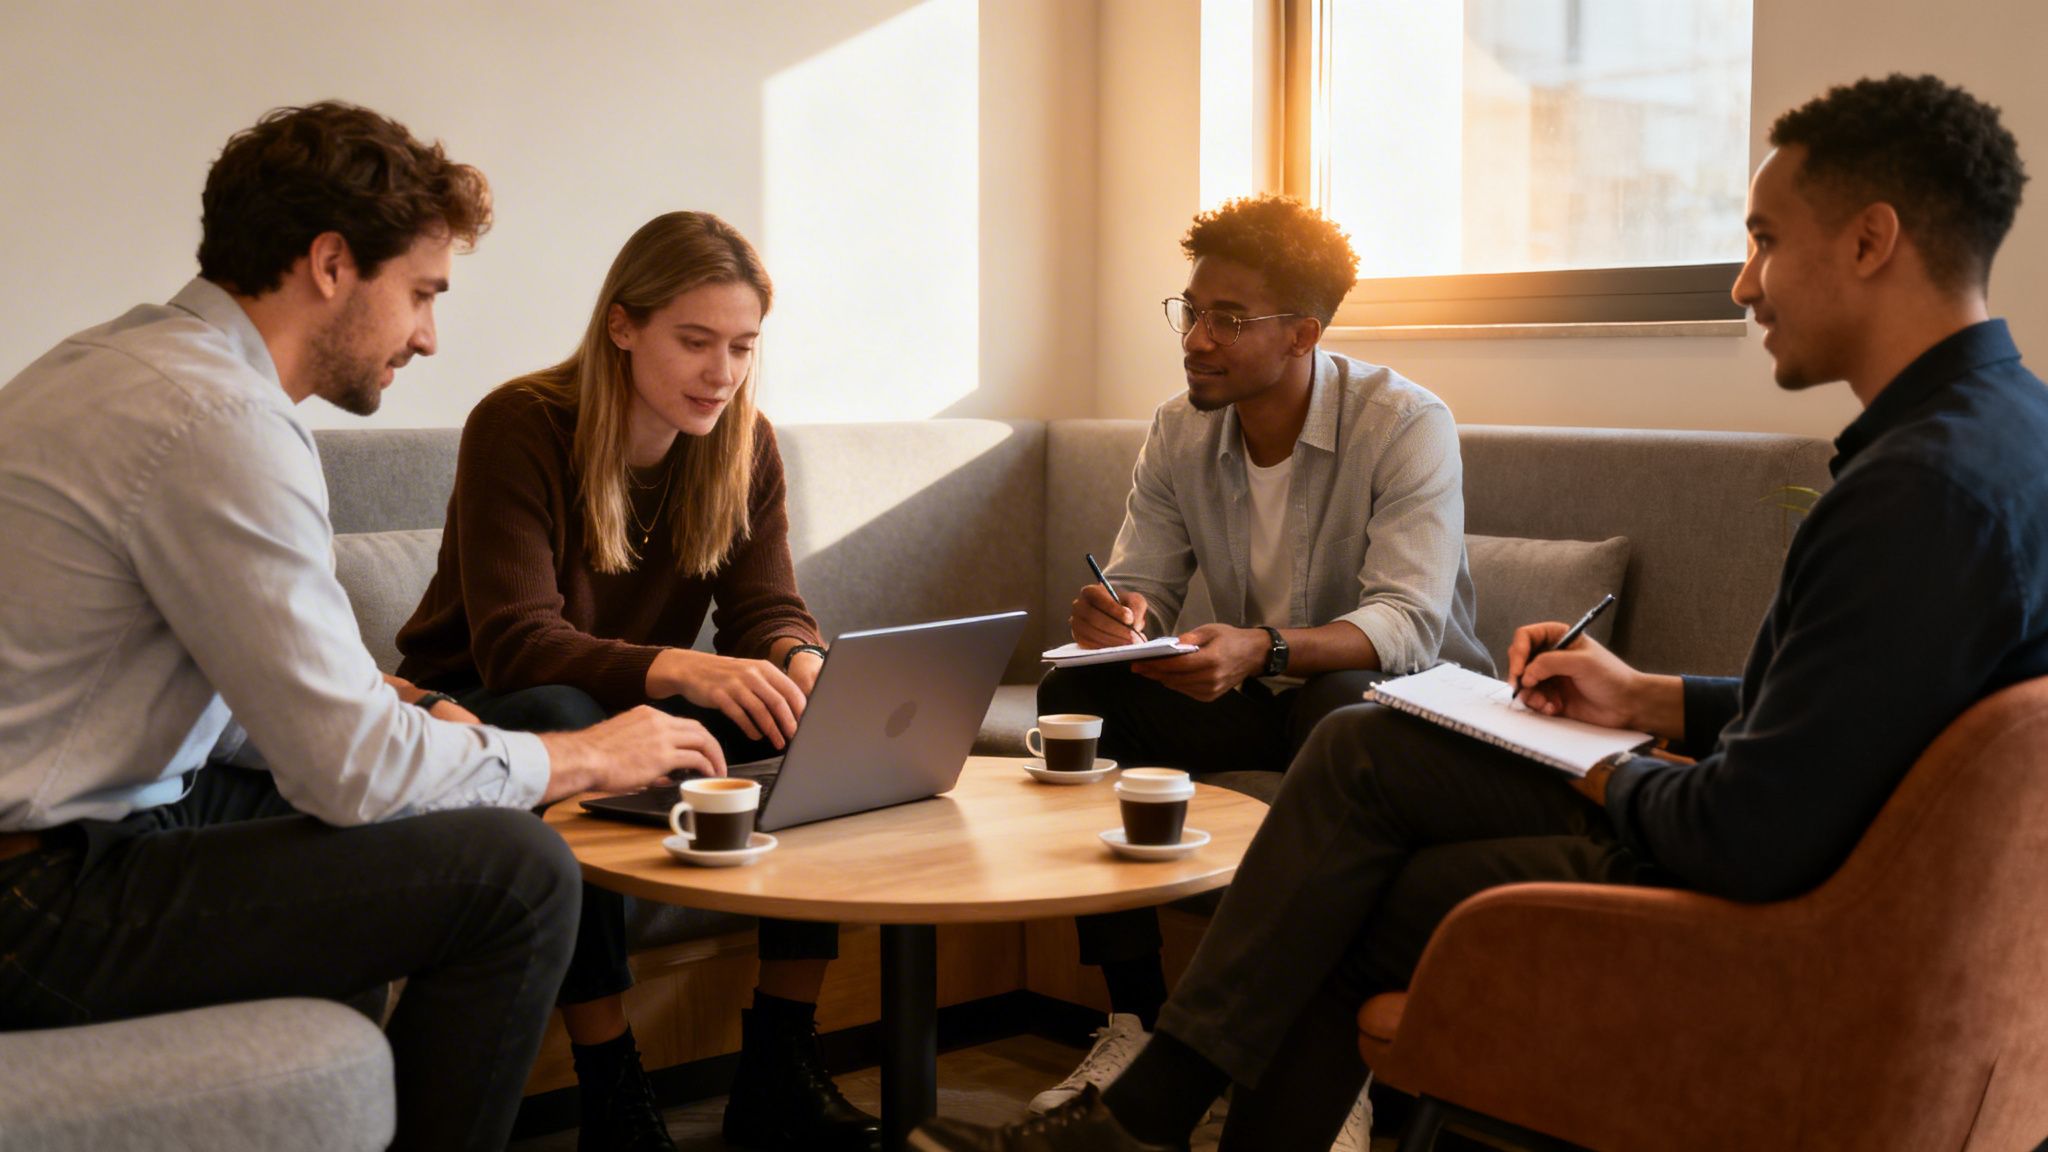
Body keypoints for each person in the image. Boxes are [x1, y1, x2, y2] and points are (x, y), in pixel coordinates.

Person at [914, 73, 2047, 1152]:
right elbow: (1849, 713)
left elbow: (1748, 828)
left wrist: (1602, 767)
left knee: (1351, 858)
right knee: (1358, 753)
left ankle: (1146, 1113)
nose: (1742, 283)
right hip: (1797, 842)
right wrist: (1642, 695)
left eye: (1760, 239)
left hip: (1759, 896)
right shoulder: (2000, 437)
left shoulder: (1913, 491)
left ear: (1868, 240)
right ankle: (1149, 1109)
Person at [0, 103, 720, 1152]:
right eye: (422, 293)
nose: (430, 335)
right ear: (331, 264)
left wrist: (438, 723)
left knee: (409, 829)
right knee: (517, 876)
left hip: (92, 823)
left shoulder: (114, 364)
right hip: (33, 894)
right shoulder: (221, 424)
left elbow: (264, 714)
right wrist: (574, 756)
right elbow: (348, 769)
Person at [395, 210, 879, 1152]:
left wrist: (803, 665)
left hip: (633, 704)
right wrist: (681, 667)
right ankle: (611, 1089)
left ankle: (781, 1057)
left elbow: (766, 612)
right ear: (623, 325)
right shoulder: (521, 424)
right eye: (695, 342)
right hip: (492, 708)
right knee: (568, 721)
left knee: (810, 725)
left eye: (742, 347)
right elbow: (515, 645)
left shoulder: (744, 441)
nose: (722, 374)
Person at [1030, 194, 1488, 1118]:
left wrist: (1266, 647)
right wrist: (1118, 617)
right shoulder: (1178, 429)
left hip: (1398, 707)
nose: (1195, 338)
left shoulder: (1404, 424)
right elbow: (1142, 575)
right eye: (1190, 309)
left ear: (1302, 334)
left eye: (1227, 319)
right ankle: (1132, 1023)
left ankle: (1330, 1075)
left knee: (1346, 703)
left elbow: (1408, 624)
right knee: (1074, 699)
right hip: (1258, 686)